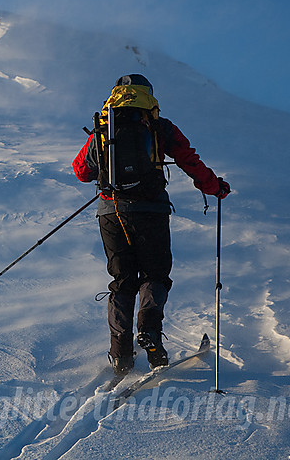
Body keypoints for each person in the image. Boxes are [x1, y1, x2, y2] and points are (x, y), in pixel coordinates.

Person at [73, 74, 230, 375]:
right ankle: (150, 332)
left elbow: (81, 171)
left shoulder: (103, 126)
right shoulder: (160, 125)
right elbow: (189, 160)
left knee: (122, 280)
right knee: (155, 274)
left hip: (111, 212)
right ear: (148, 95)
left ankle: (120, 353)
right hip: (150, 210)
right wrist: (215, 187)